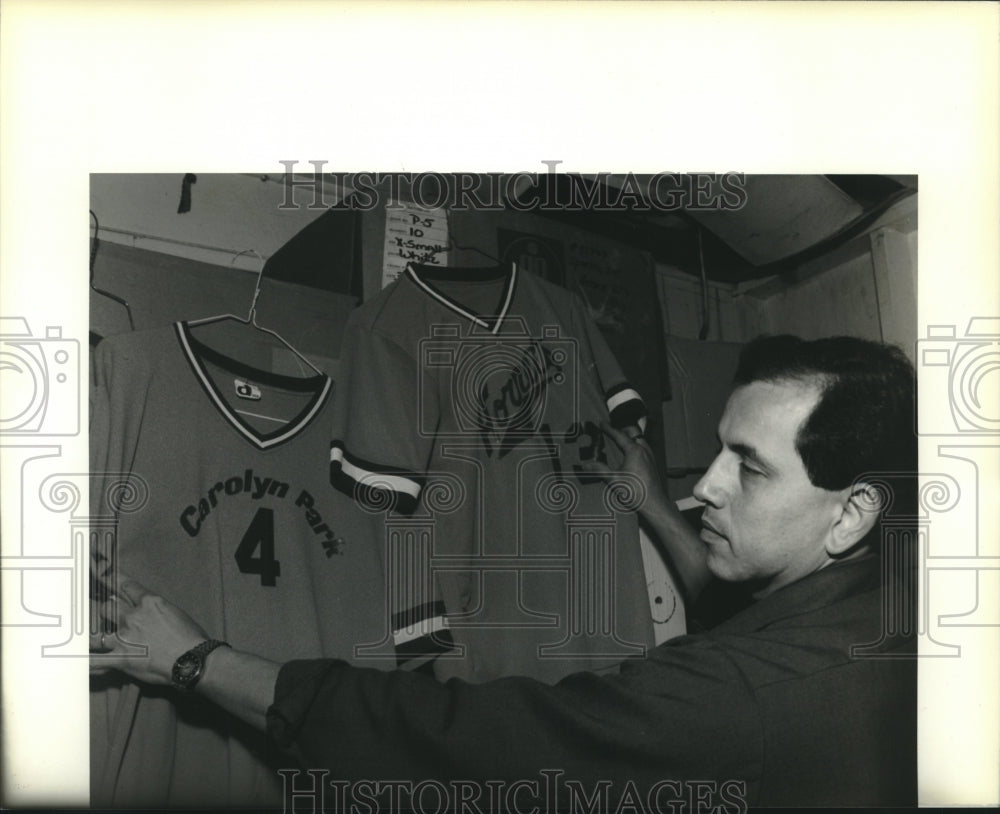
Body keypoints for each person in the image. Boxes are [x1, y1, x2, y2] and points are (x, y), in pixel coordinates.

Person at [91, 334, 918, 809]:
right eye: (716, 450)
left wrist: (199, 662)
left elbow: (471, 744)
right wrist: (647, 502)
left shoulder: (738, 696)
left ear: (852, 514)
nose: (703, 484)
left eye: (751, 466)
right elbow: (740, 616)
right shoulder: (892, 601)